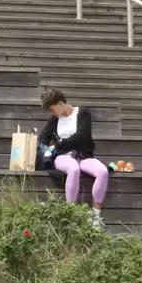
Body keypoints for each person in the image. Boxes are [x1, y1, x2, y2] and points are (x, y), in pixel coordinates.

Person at [37, 88, 110, 229]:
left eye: (52, 110)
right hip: (62, 157)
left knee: (102, 171)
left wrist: (59, 145)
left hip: (82, 155)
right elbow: (43, 138)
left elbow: (82, 136)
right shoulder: (54, 120)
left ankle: (96, 214)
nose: (51, 113)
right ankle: (71, 212)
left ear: (60, 104)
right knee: (73, 168)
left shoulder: (83, 113)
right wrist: (46, 150)